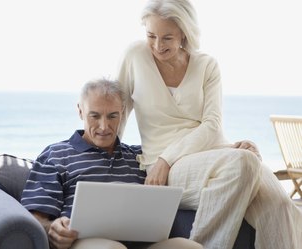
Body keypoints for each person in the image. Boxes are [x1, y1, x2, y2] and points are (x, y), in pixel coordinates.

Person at [115, 0, 302, 248]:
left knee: (280, 205)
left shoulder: (207, 65)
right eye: (151, 36)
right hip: (166, 166)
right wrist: (108, 157)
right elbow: (119, 111)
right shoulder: (135, 56)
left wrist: (227, 151)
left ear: (184, 32)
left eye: (167, 38)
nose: (158, 46)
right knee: (245, 162)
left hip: (213, 155)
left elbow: (212, 124)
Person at [20, 78, 203, 249]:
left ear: (122, 113)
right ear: (80, 111)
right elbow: (36, 218)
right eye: (95, 116)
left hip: (142, 243)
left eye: (112, 116)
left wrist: (224, 147)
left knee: (188, 246)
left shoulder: (141, 155)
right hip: (82, 242)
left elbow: (186, 150)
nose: (104, 127)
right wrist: (52, 227)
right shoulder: (55, 154)